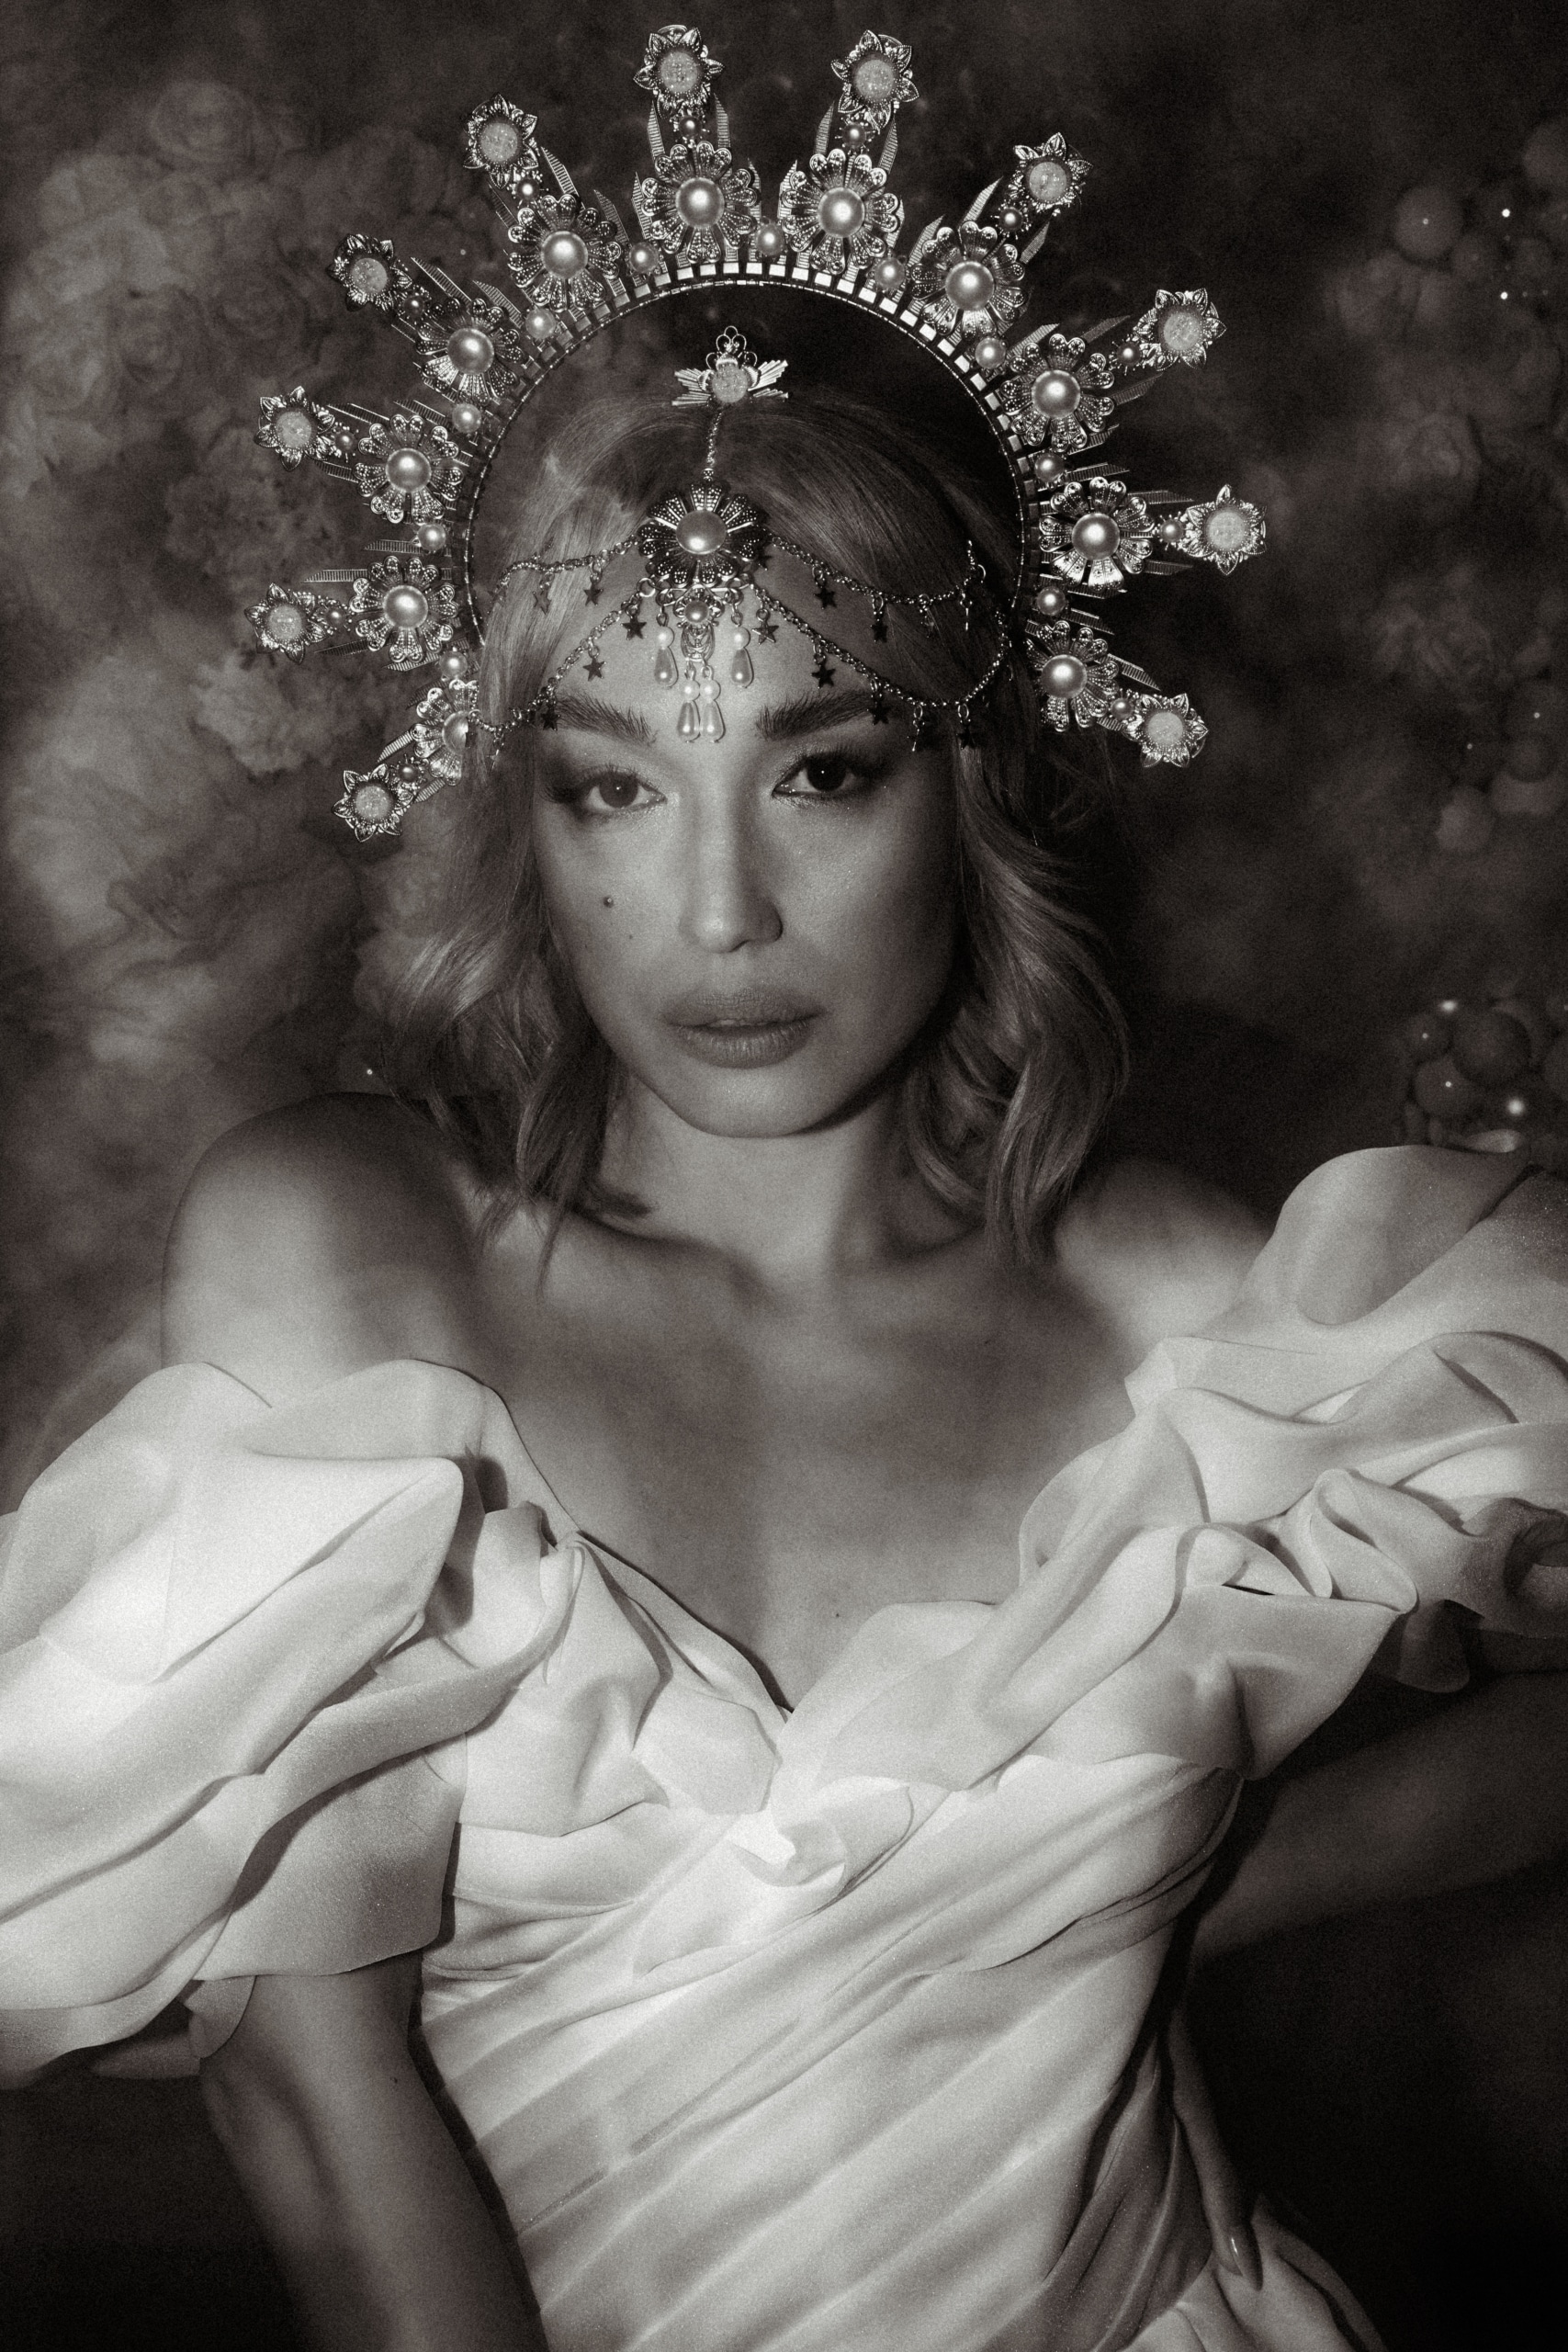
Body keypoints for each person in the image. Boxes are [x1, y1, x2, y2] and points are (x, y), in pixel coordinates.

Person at [6, 277, 1568, 2352]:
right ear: (522, 814)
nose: (720, 912)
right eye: (613, 787)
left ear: (972, 776)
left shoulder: (1183, 1306)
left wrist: (1189, 1886)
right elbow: (311, 2088)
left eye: (821, 771)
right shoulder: (355, 1249)